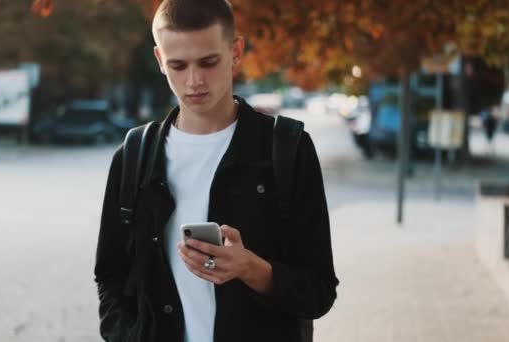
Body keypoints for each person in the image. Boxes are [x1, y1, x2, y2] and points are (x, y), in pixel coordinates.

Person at [93, 1, 339, 341]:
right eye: (178, 65)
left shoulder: (287, 149)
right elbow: (110, 275)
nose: (194, 81)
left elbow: (319, 292)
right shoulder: (134, 154)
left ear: (236, 51)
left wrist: (251, 269)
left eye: (208, 62)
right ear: (160, 60)